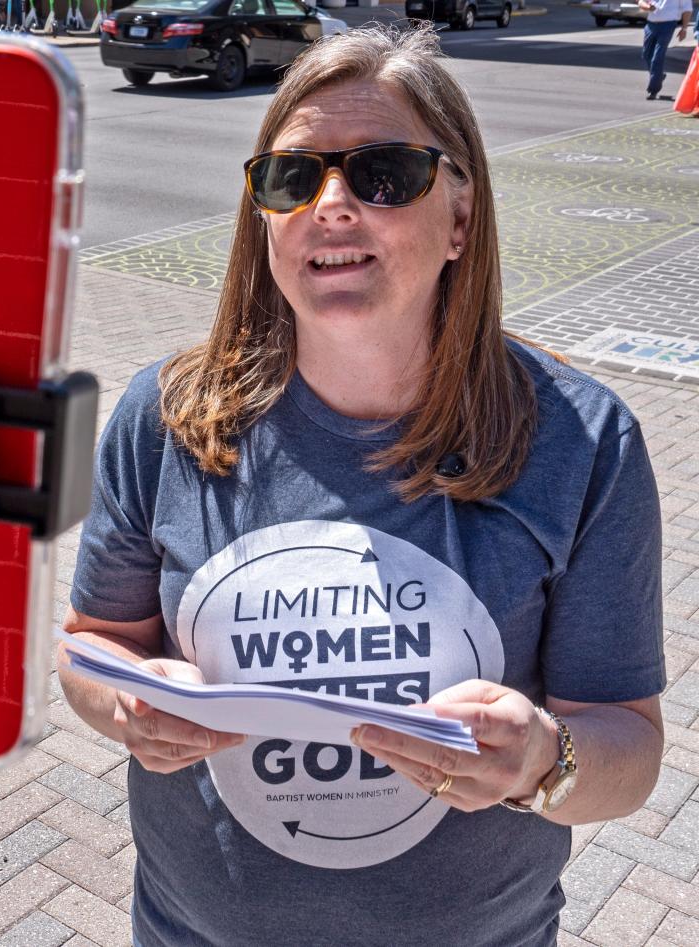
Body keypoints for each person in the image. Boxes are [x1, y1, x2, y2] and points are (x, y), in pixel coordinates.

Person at [59, 25, 665, 947]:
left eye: (383, 173)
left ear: (461, 217)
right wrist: (130, 704)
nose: (332, 204)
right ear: (263, 213)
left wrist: (544, 758)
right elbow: (90, 647)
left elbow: (630, 744)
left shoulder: (583, 442)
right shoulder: (166, 417)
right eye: (293, 177)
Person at [638, 0, 692, 99]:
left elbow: (687, 9)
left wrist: (684, 29)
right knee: (646, 55)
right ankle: (659, 75)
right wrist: (648, 7)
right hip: (651, 25)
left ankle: (653, 89)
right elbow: (641, 1)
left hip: (668, 25)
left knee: (657, 57)